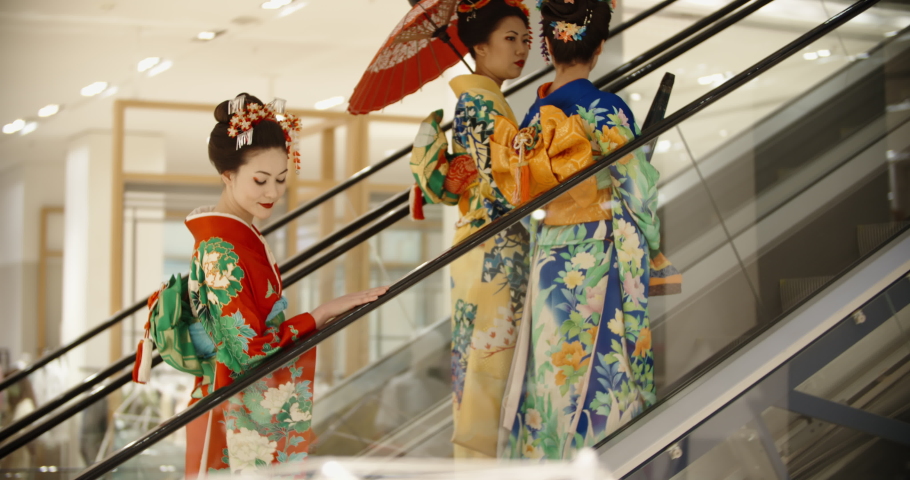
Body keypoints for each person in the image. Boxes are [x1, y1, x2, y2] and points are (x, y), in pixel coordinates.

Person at [490, 0, 680, 459]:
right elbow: (636, 191)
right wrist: (651, 248)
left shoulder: (534, 117)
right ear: (600, 49)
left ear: (547, 48)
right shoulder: (605, 107)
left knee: (553, 372)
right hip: (596, 255)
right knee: (601, 370)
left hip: (551, 255)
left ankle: (551, 460)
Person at [184, 93, 388, 476]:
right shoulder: (220, 247)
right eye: (260, 180)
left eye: (280, 179)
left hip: (233, 395)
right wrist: (320, 314)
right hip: (232, 400)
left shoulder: (236, 236)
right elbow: (246, 351)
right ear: (227, 175)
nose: (273, 193)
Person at [407, 0, 533, 459]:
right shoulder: (480, 102)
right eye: (509, 39)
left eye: (526, 39)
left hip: (490, 247)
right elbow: (506, 185)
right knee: (487, 369)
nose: (521, 49)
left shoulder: (484, 99)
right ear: (479, 46)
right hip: (491, 248)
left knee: (487, 369)